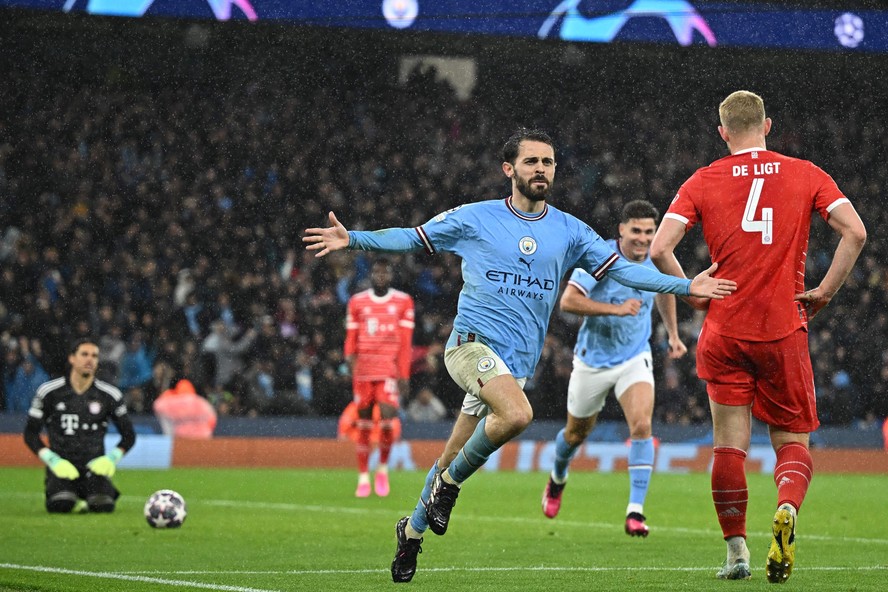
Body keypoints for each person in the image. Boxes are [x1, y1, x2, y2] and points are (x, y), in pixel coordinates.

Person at [304, 128, 736, 584]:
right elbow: (413, 238)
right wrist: (353, 238)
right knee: (517, 414)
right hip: (470, 346)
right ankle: (447, 490)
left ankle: (410, 532)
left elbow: (629, 271)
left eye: (548, 162)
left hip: (514, 365)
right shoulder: (476, 218)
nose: (541, 170)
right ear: (509, 169)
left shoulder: (570, 231)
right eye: (531, 162)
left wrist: (686, 285)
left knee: (452, 455)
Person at [649, 90, 867, 582]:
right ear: (768, 126)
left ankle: (736, 555)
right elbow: (856, 232)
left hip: (724, 328)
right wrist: (827, 291)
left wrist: (691, 289)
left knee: (729, 446)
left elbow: (660, 248)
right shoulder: (806, 173)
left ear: (723, 132)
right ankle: (787, 507)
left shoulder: (702, 180)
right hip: (782, 327)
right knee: (793, 440)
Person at [541, 199, 687, 537]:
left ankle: (635, 511)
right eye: (636, 230)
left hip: (635, 357)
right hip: (592, 361)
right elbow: (569, 301)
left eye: (649, 232)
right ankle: (558, 477)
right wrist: (615, 309)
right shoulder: (599, 257)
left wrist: (674, 334)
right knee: (576, 433)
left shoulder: (657, 258)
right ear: (621, 230)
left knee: (641, 426)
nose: (643, 238)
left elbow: (665, 291)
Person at [23, 338, 137, 513]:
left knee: (103, 506)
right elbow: (30, 434)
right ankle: (66, 492)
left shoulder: (109, 395)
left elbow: (129, 435)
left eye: (94, 356)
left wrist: (111, 458)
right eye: (84, 354)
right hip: (62, 469)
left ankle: (93, 494)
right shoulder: (50, 392)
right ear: (72, 358)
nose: (90, 360)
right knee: (61, 505)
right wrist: (53, 461)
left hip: (94, 469)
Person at [344, 257, 415, 498]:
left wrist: (403, 375)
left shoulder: (403, 302)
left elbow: (405, 344)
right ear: (371, 275)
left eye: (384, 273)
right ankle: (363, 477)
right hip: (364, 370)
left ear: (390, 276)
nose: (380, 276)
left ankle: (382, 469)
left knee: (386, 420)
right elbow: (351, 339)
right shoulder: (357, 302)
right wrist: (351, 364)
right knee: (363, 423)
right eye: (377, 272)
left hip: (388, 370)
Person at [153, 378, 218, 439]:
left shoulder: (172, 402)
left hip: (181, 437)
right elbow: (212, 418)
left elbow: (157, 405)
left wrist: (167, 395)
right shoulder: (200, 401)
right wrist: (207, 429)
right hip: (202, 438)